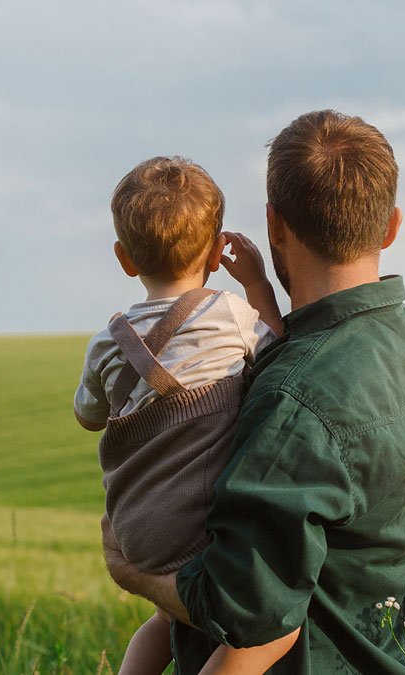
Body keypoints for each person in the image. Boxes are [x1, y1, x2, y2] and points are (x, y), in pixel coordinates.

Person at [101, 110, 405, 674]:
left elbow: (245, 613)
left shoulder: (292, 399)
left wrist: (133, 570)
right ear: (390, 227)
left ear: (274, 226)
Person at [74, 156, 300, 674]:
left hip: (135, 529)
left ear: (124, 259)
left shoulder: (107, 343)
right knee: (270, 630)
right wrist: (258, 284)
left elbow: (89, 416)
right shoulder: (229, 315)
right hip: (196, 527)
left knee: (165, 621)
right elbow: (279, 350)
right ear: (218, 250)